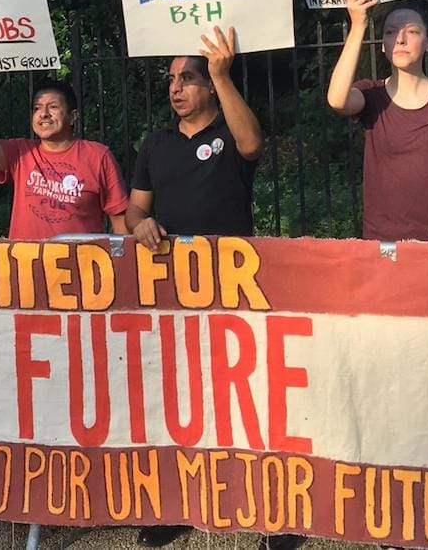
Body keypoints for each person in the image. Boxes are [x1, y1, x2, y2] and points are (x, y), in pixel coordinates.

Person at [125, 27, 297, 550]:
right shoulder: (155, 144)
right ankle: (174, 506)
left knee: (248, 399)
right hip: (175, 290)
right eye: (171, 79)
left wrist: (222, 75)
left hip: (233, 287)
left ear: (208, 84)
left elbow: (253, 144)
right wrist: (138, 224)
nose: (176, 88)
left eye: (187, 78)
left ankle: (273, 513)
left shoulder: (229, 129)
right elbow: (135, 207)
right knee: (178, 398)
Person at [325, 0, 428, 254]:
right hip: (382, 248)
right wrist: (358, 26)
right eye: (390, 32)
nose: (400, 39)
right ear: (383, 47)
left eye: (412, 31)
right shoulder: (371, 95)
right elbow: (337, 100)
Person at [0, 55, 127, 238]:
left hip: (81, 256)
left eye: (53, 107)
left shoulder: (98, 156)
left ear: (73, 117)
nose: (44, 114)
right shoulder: (21, 152)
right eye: (37, 108)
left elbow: (120, 220)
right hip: (25, 256)